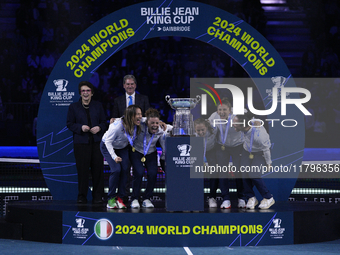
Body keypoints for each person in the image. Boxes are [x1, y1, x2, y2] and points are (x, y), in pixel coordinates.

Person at [66, 81, 107, 204]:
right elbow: (69, 124)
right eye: (83, 91)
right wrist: (80, 128)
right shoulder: (73, 107)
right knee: (82, 171)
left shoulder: (98, 106)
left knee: (98, 170)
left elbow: (104, 122)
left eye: (88, 90)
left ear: (92, 93)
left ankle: (98, 197)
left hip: (96, 143)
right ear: (80, 93)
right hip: (81, 143)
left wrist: (99, 128)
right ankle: (82, 196)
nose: (85, 93)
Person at [100, 105, 143, 209]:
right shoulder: (117, 126)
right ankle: (110, 199)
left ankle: (120, 198)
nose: (140, 117)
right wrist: (114, 157)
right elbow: (108, 142)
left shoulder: (137, 122)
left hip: (122, 148)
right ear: (130, 115)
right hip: (107, 146)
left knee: (125, 169)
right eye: (138, 114)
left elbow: (148, 119)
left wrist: (161, 123)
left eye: (141, 114)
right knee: (116, 170)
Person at [129, 108, 172, 208]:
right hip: (137, 151)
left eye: (157, 123)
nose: (155, 125)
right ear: (147, 121)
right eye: (152, 123)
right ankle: (134, 198)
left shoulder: (162, 128)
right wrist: (115, 119)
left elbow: (175, 128)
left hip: (151, 152)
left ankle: (147, 198)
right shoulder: (140, 122)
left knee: (153, 174)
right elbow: (127, 118)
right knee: (139, 172)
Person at [208, 98, 246, 209]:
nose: (222, 112)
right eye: (219, 109)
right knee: (222, 172)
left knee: (239, 171)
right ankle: (226, 199)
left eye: (224, 109)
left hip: (238, 146)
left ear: (230, 111)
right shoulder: (214, 116)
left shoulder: (238, 116)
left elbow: (250, 120)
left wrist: (255, 122)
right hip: (221, 146)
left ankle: (241, 198)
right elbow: (205, 124)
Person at [233, 112, 275, 210]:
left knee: (254, 174)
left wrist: (269, 163)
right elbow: (247, 113)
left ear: (243, 125)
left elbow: (266, 149)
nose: (233, 124)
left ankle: (268, 197)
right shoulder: (246, 123)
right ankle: (251, 198)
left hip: (261, 153)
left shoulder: (259, 135)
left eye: (235, 123)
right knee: (243, 173)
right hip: (247, 151)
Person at [194, 118, 218, 208]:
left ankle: (212, 198)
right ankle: (196, 197)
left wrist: (210, 123)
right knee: (196, 173)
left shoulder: (213, 130)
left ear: (207, 127)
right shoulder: (193, 134)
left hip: (211, 150)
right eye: (198, 130)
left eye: (202, 130)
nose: (201, 132)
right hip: (197, 150)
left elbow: (219, 127)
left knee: (214, 172)